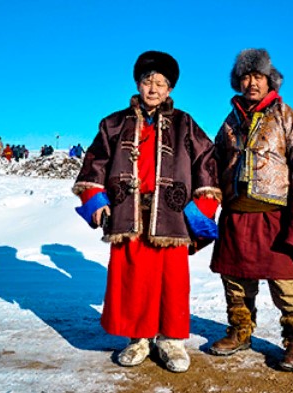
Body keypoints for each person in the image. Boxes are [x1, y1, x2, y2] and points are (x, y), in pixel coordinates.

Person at [72, 51, 221, 372]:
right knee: (132, 279)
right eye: (147, 82)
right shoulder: (113, 124)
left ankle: (171, 340)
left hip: (172, 216)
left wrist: (201, 210)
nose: (153, 89)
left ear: (170, 89)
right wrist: (97, 203)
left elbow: (207, 164)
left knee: (172, 282)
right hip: (128, 214)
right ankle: (138, 338)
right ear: (138, 84)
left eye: (160, 83)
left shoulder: (185, 124)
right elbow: (94, 165)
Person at [211, 49, 293, 372]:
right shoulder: (230, 122)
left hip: (275, 215)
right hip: (235, 213)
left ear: (269, 80)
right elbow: (215, 164)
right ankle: (240, 331)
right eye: (245, 76)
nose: (251, 83)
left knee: (286, 282)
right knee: (235, 279)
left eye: (257, 76)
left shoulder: (288, 117)